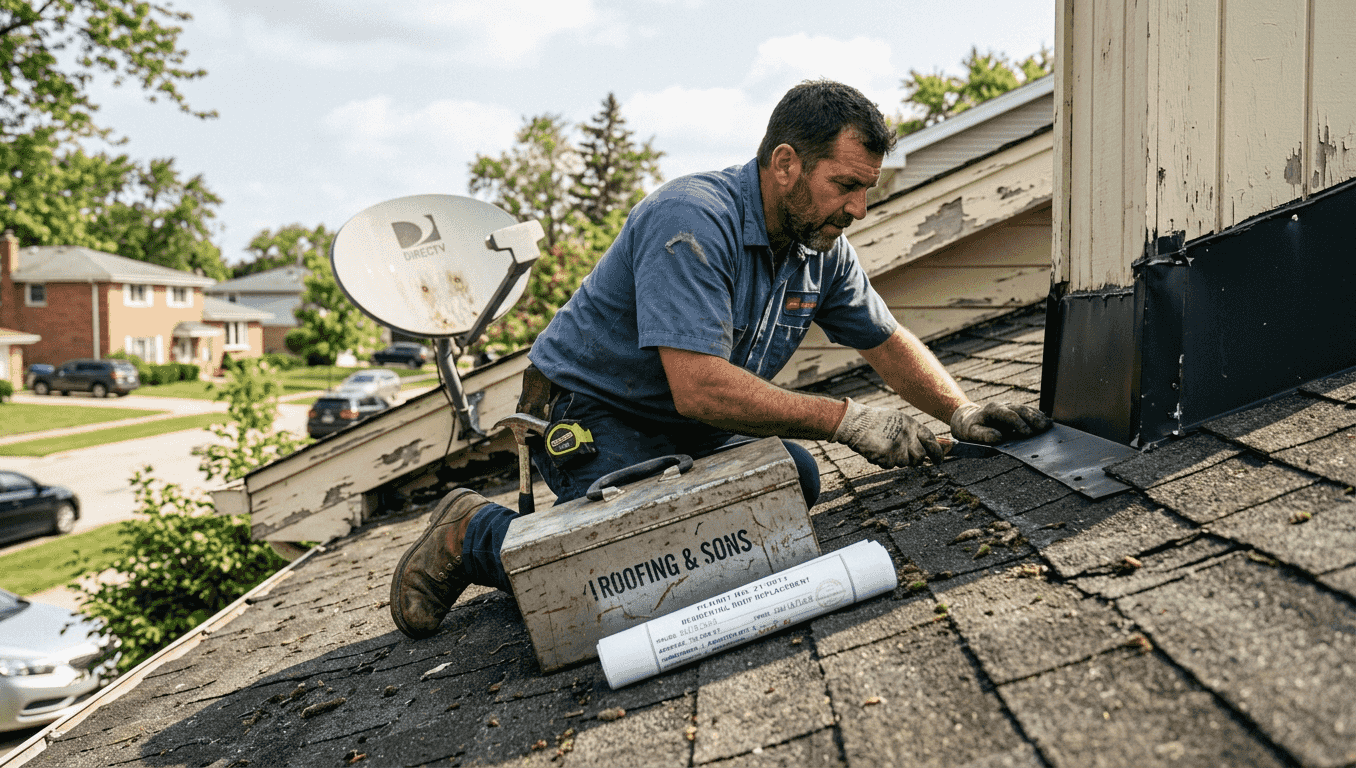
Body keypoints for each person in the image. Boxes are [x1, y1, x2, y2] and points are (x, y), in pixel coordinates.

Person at [390, 80, 1051, 640]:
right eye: (845, 184)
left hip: (683, 422)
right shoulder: (691, 221)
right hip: (593, 412)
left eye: (866, 188)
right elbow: (701, 389)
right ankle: (474, 532)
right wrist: (847, 420)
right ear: (785, 164)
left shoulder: (818, 246)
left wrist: (959, 409)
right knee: (648, 577)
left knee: (791, 486)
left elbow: (884, 340)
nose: (858, 208)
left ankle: (571, 538)